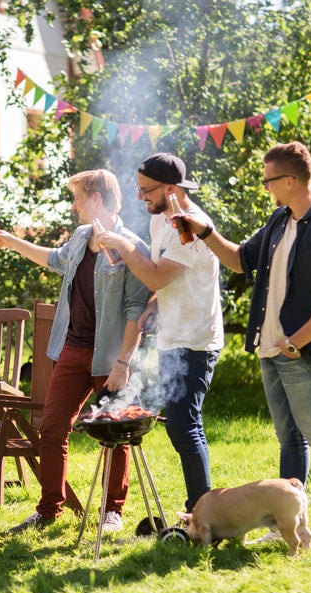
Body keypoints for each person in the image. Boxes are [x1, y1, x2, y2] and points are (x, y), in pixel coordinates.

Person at [175, 141, 311, 548]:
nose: (266, 188)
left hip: (299, 352)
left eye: (269, 181)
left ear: (291, 180)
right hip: (270, 350)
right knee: (290, 439)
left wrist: (296, 343)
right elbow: (239, 260)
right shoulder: (280, 220)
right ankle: (288, 527)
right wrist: (204, 231)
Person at [0, 169, 151, 533]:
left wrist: (123, 363)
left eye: (78, 197)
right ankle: (48, 510)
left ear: (96, 198)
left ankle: (112, 511)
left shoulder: (132, 247)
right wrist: (10, 240)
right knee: (54, 428)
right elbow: (55, 260)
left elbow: (135, 312)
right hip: (72, 349)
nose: (74, 205)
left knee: (115, 432)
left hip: (110, 356)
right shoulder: (80, 237)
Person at [96, 153, 223, 514]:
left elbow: (152, 273)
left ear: (170, 189)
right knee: (180, 425)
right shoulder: (160, 219)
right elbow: (161, 279)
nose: (139, 198)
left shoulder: (191, 227)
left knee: (184, 424)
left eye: (145, 190)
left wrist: (122, 244)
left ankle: (202, 512)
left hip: (196, 338)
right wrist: (153, 304)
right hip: (172, 334)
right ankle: (200, 509)